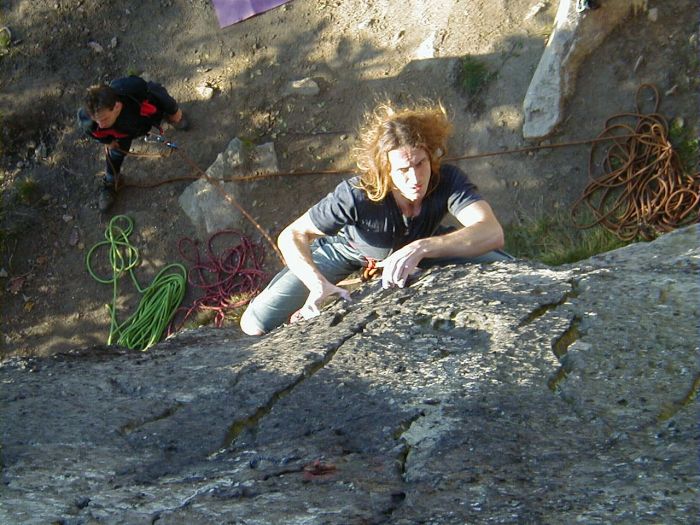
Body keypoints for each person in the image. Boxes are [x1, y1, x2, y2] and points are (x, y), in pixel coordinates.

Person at [240, 102, 511, 336]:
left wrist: (422, 247)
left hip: (423, 246)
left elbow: (491, 231)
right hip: (349, 251)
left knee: (509, 271)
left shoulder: (448, 180)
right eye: (403, 170)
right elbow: (292, 235)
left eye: (420, 164)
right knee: (256, 323)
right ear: (385, 170)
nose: (415, 178)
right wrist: (316, 283)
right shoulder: (357, 194)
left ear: (430, 157)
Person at [77, 75, 189, 212]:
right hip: (121, 135)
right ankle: (112, 181)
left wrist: (174, 111)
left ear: (117, 107)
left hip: (143, 118)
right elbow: (93, 132)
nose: (101, 125)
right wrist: (108, 141)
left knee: (159, 107)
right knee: (115, 154)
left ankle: (170, 117)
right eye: (97, 120)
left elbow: (158, 91)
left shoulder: (133, 89)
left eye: (104, 119)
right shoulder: (88, 119)